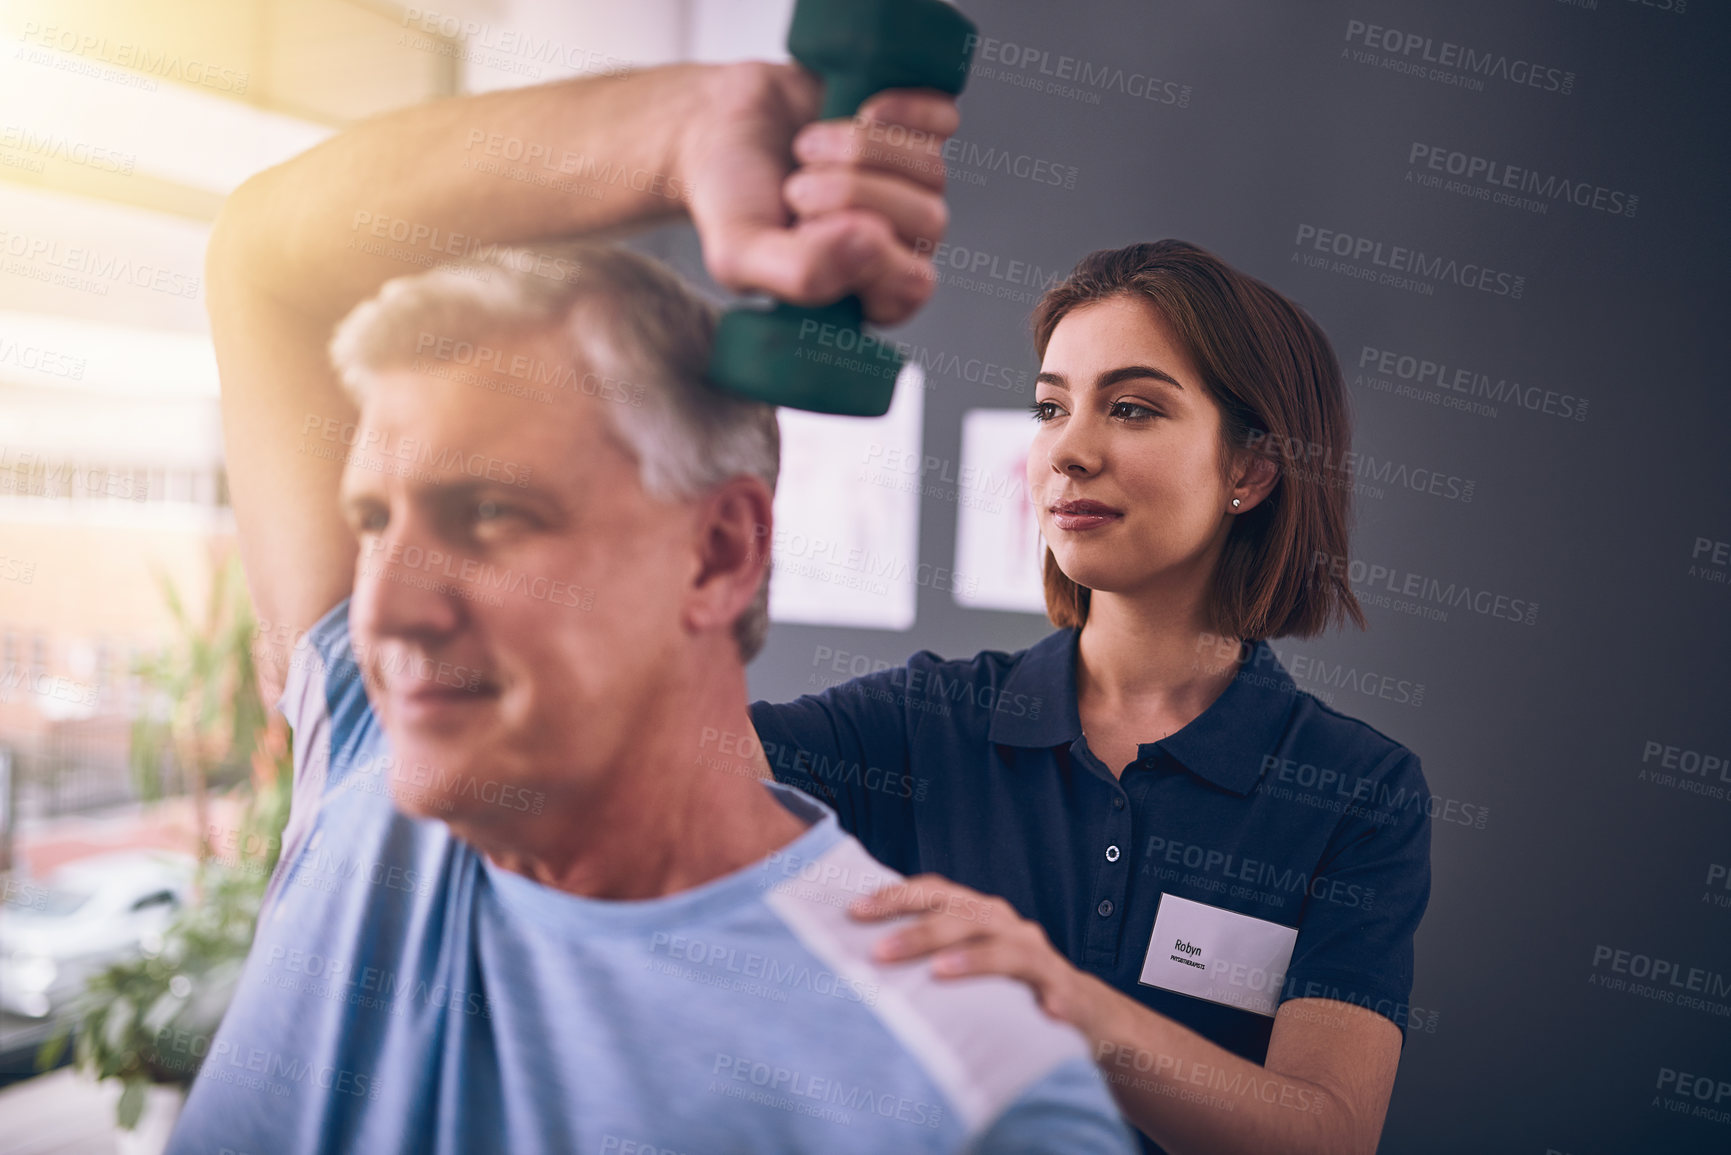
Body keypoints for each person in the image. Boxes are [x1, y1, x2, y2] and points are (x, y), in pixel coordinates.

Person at [168, 64, 1136, 1153]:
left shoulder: (965, 1098)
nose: (386, 610)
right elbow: (263, 257)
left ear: (717, 553)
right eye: (376, 519)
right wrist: (687, 129)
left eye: (488, 512)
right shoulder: (371, 747)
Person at [748, 239, 1433, 1155]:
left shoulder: (1356, 790)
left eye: (1132, 408)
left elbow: (1327, 1136)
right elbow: (660, 765)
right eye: (1050, 406)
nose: (1066, 450)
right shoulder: (919, 724)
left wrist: (1056, 995)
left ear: (1250, 470)